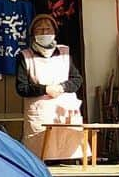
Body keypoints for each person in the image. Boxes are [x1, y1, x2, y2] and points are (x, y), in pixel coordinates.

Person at [16, 14, 85, 161]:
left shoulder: (65, 53)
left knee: (68, 154)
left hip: (64, 115)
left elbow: (77, 79)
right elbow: (22, 88)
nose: (44, 33)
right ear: (33, 34)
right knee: (40, 156)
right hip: (40, 115)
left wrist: (62, 87)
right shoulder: (25, 56)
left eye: (48, 29)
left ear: (54, 31)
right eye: (39, 30)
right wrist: (44, 89)